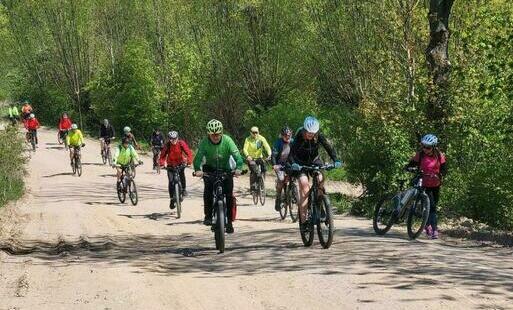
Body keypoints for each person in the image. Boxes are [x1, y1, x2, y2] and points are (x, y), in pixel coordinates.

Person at [289, 116, 342, 232]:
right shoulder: (299, 135)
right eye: (308, 132)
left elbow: (328, 147)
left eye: (313, 133)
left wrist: (335, 159)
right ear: (304, 130)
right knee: (304, 186)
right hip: (300, 163)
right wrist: (293, 164)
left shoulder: (318, 136)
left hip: (314, 160)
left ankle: (320, 202)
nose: (310, 135)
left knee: (320, 177)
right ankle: (303, 222)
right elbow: (291, 154)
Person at [193, 119, 243, 233]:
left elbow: (238, 157)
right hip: (209, 169)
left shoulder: (228, 141)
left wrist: (239, 168)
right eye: (212, 134)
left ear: (221, 133)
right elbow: (197, 159)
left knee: (229, 195)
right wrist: (197, 170)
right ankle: (208, 216)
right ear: (208, 134)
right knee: (208, 191)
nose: (215, 137)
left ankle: (229, 222)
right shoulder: (204, 142)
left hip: (226, 170)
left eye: (217, 134)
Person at [405, 134, 447, 239]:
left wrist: (440, 175)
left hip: (435, 184)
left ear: (433, 147)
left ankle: (428, 225)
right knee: (430, 205)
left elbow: (444, 169)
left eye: (428, 147)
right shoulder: (420, 155)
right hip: (423, 183)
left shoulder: (439, 155)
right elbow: (410, 164)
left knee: (432, 207)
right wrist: (409, 168)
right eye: (423, 146)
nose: (425, 149)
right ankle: (434, 229)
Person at [159, 131, 193, 209]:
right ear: (169, 139)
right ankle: (171, 199)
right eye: (171, 139)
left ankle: (184, 189)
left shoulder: (181, 143)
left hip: (180, 164)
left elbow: (188, 152)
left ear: (177, 138)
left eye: (175, 139)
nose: (173, 140)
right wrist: (161, 164)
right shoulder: (167, 145)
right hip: (170, 166)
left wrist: (189, 161)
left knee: (182, 176)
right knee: (171, 182)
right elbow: (162, 156)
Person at [243, 126, 272, 192]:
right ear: (250, 133)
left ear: (258, 132)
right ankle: (253, 187)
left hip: (259, 157)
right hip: (251, 158)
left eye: (256, 132)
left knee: (264, 168)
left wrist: (269, 154)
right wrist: (247, 156)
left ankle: (262, 184)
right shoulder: (248, 139)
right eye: (253, 132)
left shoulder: (261, 138)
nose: (255, 134)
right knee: (255, 171)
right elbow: (245, 149)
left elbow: (267, 146)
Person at [272, 126, 294, 211]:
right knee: (281, 179)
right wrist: (274, 165)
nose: (287, 137)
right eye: (285, 135)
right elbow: (274, 155)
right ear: (282, 135)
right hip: (279, 164)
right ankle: (278, 197)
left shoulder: (293, 142)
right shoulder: (278, 142)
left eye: (289, 135)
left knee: (295, 176)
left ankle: (293, 192)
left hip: (290, 164)